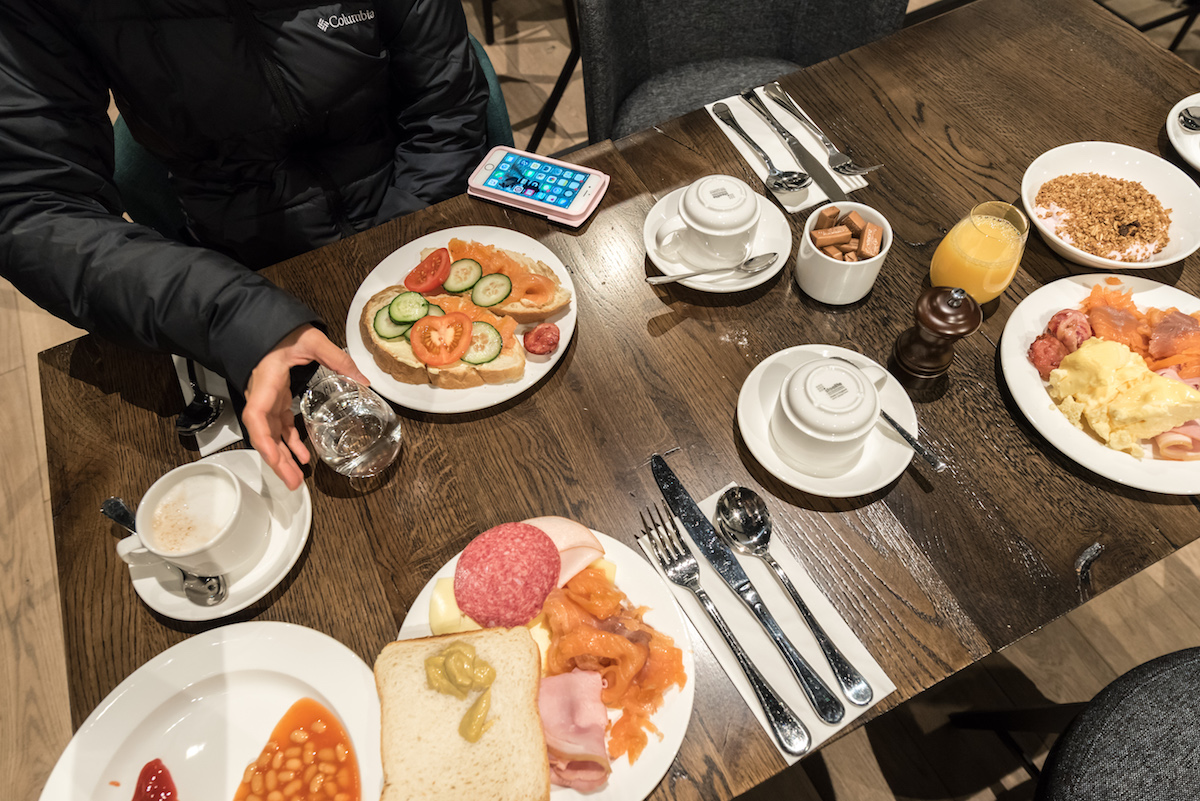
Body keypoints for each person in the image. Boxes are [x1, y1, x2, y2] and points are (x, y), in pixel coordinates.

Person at [0, 0, 490, 490]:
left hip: (408, 227)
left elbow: (444, 104)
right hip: (250, 273)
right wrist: (231, 316)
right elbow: (32, 208)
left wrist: (397, 246)